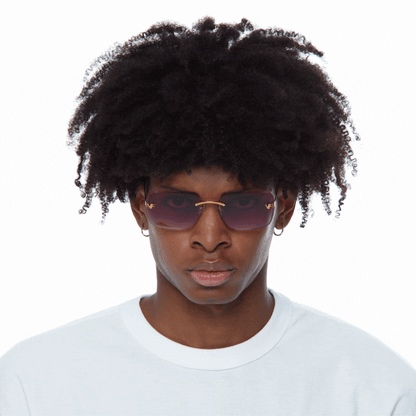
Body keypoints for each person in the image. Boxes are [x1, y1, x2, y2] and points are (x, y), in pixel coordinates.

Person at [1, 16, 415, 415]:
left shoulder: (374, 389)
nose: (211, 236)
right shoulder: (35, 383)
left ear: (283, 208)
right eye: (178, 205)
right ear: (141, 209)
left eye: (244, 205)